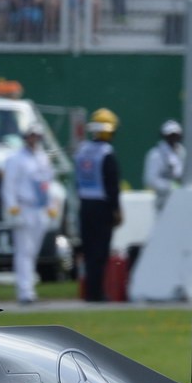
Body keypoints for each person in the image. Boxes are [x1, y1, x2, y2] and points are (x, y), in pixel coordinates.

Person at [1, 123, 55, 305]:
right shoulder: (16, 159)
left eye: (37, 136)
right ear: (26, 137)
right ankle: (25, 291)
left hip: (40, 208)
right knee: (24, 251)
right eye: (31, 136)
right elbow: (9, 186)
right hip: (24, 207)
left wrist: (51, 204)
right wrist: (13, 207)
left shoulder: (43, 157)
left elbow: (48, 183)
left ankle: (29, 286)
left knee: (34, 251)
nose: (34, 139)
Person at [74, 108, 122, 303]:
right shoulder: (107, 153)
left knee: (88, 250)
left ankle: (89, 291)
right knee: (100, 252)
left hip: (85, 205)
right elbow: (112, 185)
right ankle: (96, 293)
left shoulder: (82, 150)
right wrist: (116, 209)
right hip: (102, 207)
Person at [142, 118, 185, 213]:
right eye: (170, 136)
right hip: (162, 200)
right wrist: (170, 186)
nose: (173, 139)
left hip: (182, 200)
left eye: (176, 135)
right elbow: (150, 180)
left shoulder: (183, 153)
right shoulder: (155, 155)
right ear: (165, 136)